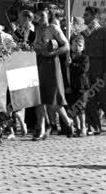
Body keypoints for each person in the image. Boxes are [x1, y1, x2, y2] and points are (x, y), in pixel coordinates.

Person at [32, 8, 74, 140]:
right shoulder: (37, 30)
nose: (39, 17)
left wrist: (52, 53)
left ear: (48, 15)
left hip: (51, 65)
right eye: (37, 15)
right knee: (39, 98)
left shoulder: (54, 28)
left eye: (42, 15)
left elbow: (66, 46)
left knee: (53, 98)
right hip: (38, 64)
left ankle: (67, 121)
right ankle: (41, 128)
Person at [82, 6, 106, 134]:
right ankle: (95, 126)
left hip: (101, 67)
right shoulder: (84, 33)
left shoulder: (104, 31)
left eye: (86, 15)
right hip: (87, 68)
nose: (84, 17)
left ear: (94, 17)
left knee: (105, 98)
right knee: (89, 99)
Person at [68, 34, 90, 136]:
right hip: (72, 86)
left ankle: (83, 127)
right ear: (71, 45)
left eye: (80, 45)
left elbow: (82, 69)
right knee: (73, 108)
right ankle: (77, 127)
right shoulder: (68, 57)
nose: (77, 47)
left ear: (83, 47)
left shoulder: (84, 57)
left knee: (80, 108)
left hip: (82, 87)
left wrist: (71, 64)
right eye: (75, 45)